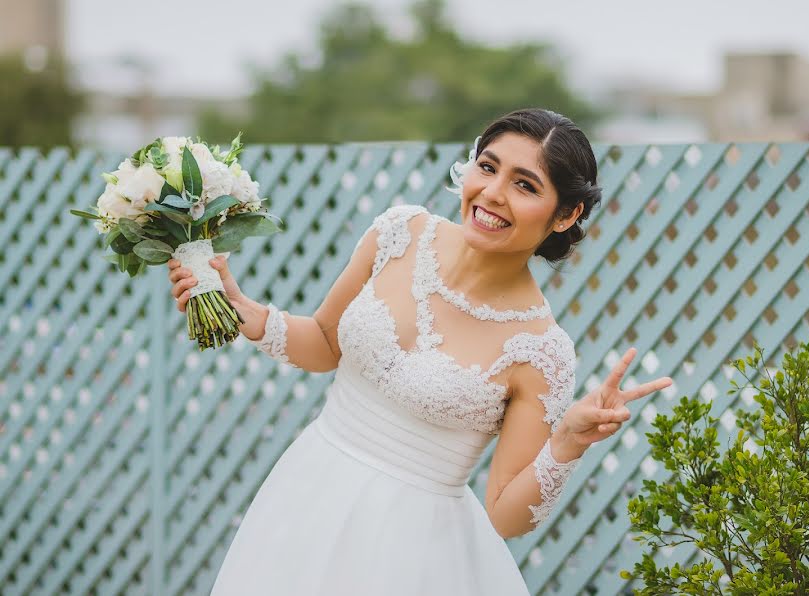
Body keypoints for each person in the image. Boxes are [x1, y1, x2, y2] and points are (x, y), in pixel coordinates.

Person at [167, 108, 673, 595]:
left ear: (566, 214)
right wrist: (248, 313)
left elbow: (504, 513)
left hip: (412, 552)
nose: (492, 193)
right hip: (307, 496)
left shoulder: (541, 351)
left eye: (525, 185)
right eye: (488, 167)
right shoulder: (399, 232)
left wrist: (567, 442)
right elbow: (325, 344)